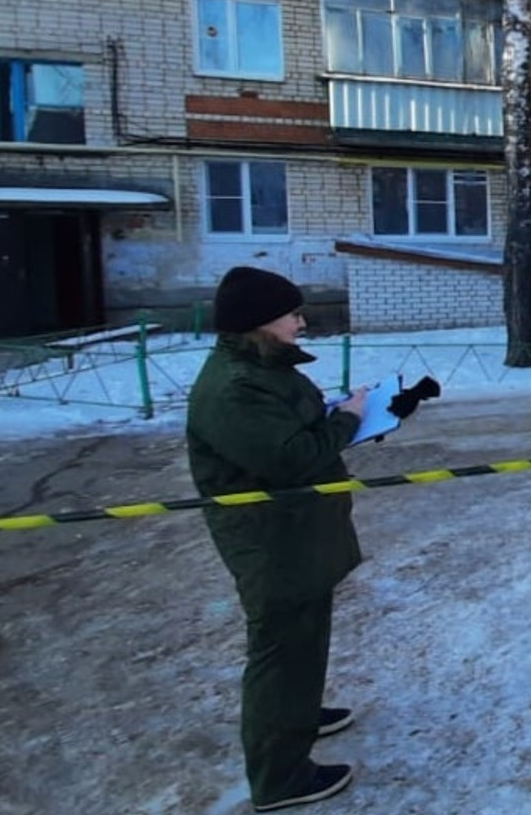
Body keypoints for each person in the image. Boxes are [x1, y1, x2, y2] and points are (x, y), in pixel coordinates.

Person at [186, 266, 366, 812]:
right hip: (273, 542)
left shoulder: (261, 367)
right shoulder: (234, 387)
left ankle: (299, 712)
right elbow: (289, 457)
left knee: (305, 635)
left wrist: (346, 414)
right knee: (281, 648)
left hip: (296, 534)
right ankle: (280, 778)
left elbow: (292, 428)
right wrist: (350, 421)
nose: (300, 322)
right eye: (291, 314)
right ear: (260, 322)